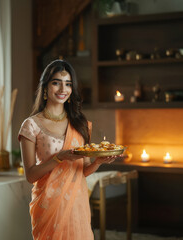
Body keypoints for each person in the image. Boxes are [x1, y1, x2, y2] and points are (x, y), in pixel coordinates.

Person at [18, 59, 117, 239]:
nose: (63, 89)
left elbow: (82, 171)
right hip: (48, 205)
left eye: (68, 84)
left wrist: (98, 162)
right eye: (56, 83)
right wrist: (59, 158)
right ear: (45, 87)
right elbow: (30, 175)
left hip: (76, 204)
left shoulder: (80, 125)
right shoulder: (31, 125)